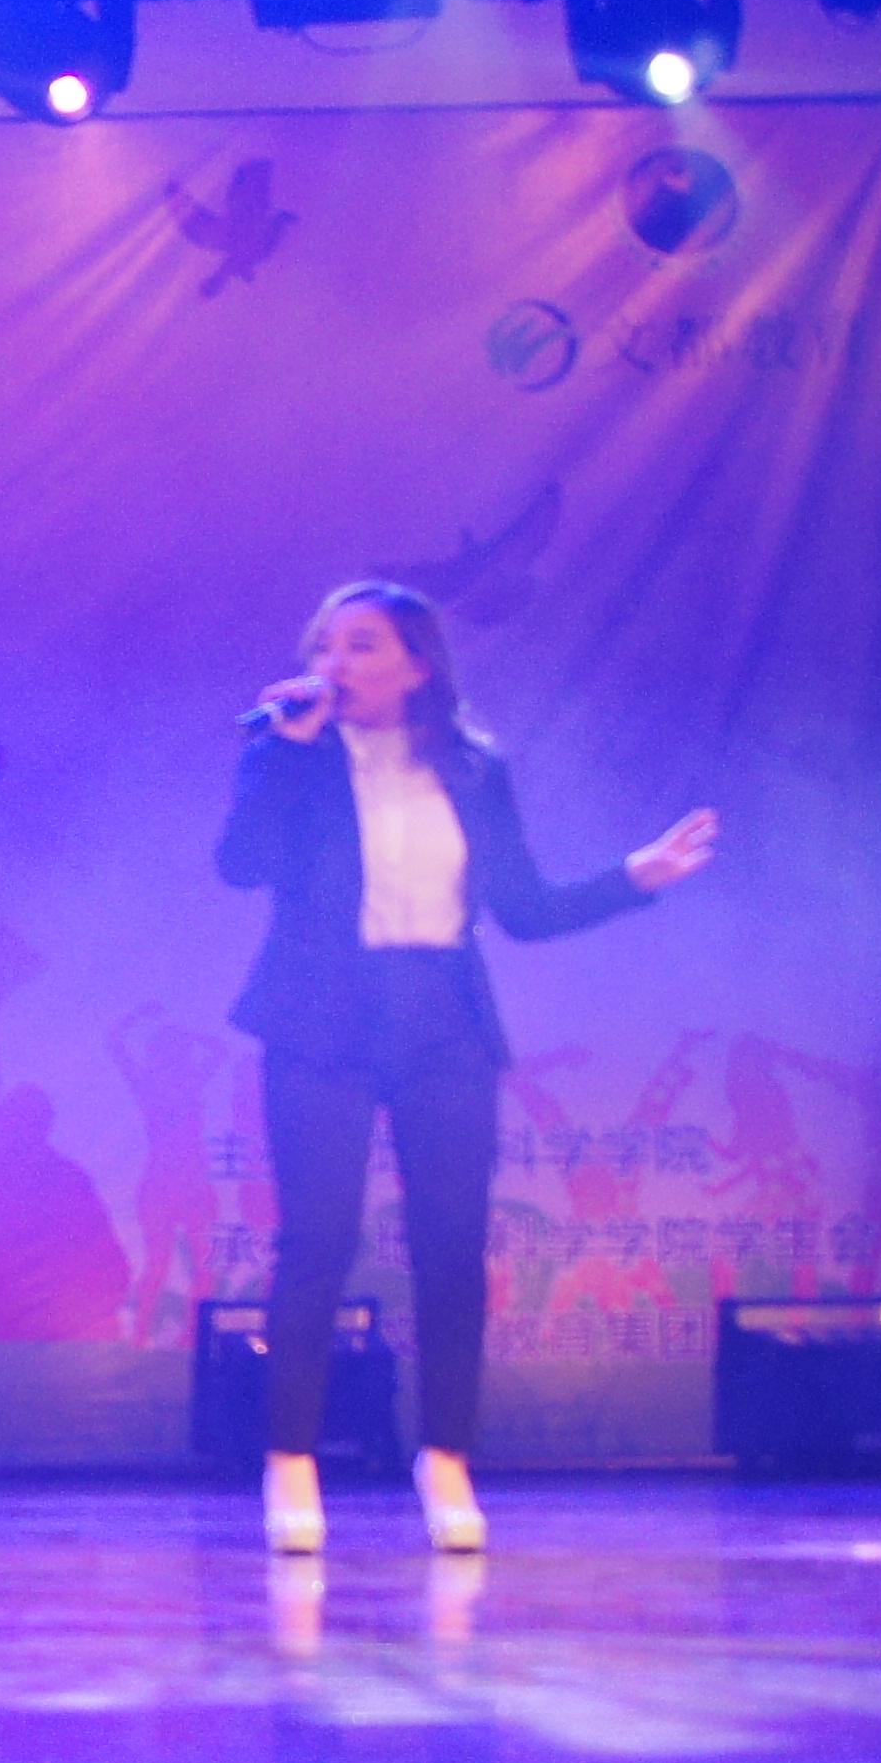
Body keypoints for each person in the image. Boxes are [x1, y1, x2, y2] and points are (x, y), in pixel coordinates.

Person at [222, 580, 716, 1555]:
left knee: (450, 1246)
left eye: (361, 645)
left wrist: (635, 879)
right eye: (325, 646)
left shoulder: (473, 767)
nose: (335, 664)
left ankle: (445, 1457)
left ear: (416, 665)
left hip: (441, 1019)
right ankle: (291, 1462)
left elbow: (523, 910)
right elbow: (239, 865)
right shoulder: (290, 756)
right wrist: (284, 752)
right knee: (317, 1241)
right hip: (321, 1019)